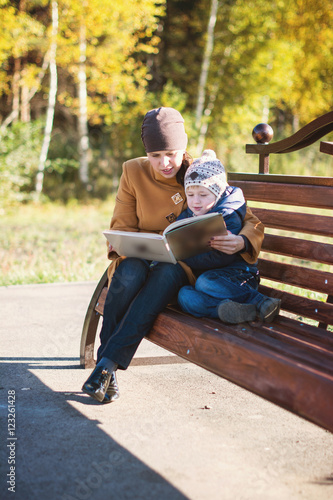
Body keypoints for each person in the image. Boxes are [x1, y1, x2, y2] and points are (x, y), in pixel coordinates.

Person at [82, 107, 264, 404]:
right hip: (139, 259)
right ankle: (108, 367)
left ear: (184, 147)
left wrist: (242, 241)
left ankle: (105, 365)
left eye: (171, 153)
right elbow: (122, 225)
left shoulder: (199, 172)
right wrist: (123, 244)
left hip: (181, 267)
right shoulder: (132, 171)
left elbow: (249, 218)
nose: (164, 163)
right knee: (130, 273)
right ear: (146, 152)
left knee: (166, 272)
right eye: (155, 155)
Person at [176, 151, 281, 324]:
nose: (195, 201)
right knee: (185, 296)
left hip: (237, 276)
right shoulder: (190, 213)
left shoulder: (227, 214)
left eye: (203, 195)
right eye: (190, 195)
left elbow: (221, 257)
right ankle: (229, 310)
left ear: (217, 194)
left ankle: (261, 301)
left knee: (204, 282)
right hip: (213, 284)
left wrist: (182, 255)